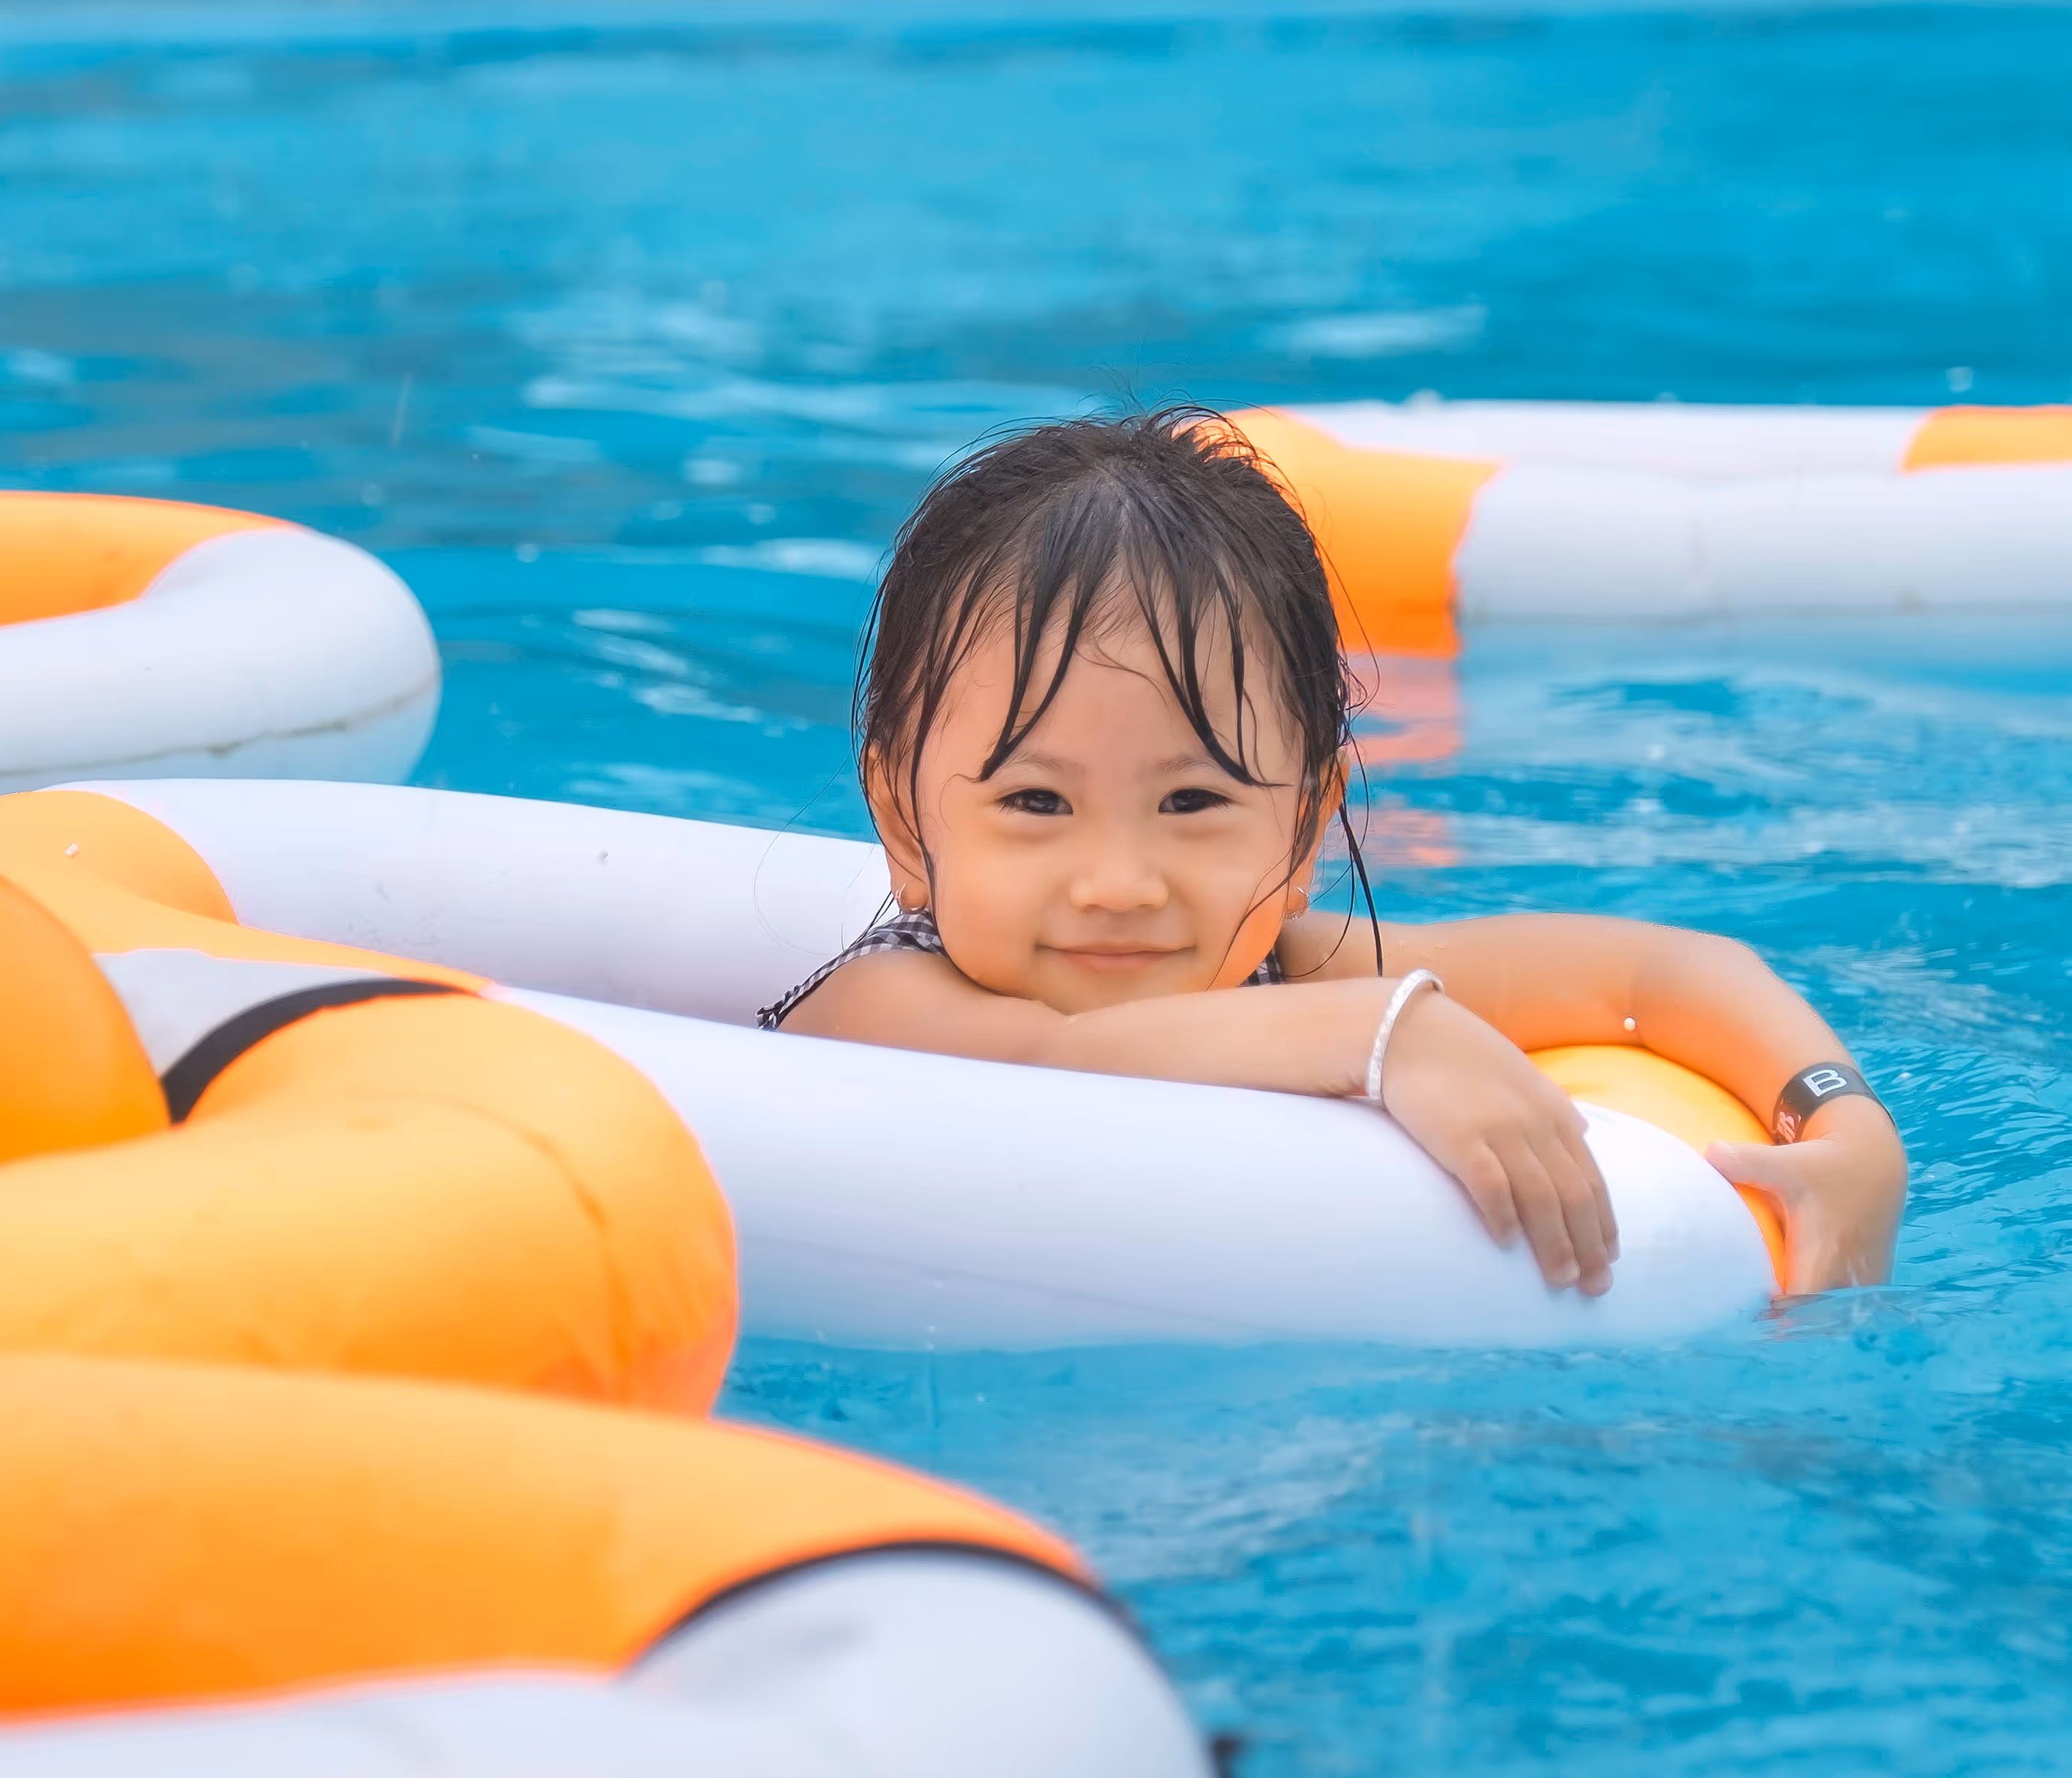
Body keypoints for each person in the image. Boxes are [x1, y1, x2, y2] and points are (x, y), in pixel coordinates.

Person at [765, 406, 1905, 1300]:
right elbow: (1055, 1058)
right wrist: (1378, 1033)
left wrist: (1840, 1121)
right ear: (906, 825)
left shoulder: (1297, 962)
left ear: (1306, 826)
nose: (1117, 884)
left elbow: (1653, 977)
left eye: (1193, 799)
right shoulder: (880, 1006)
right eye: (1033, 800)